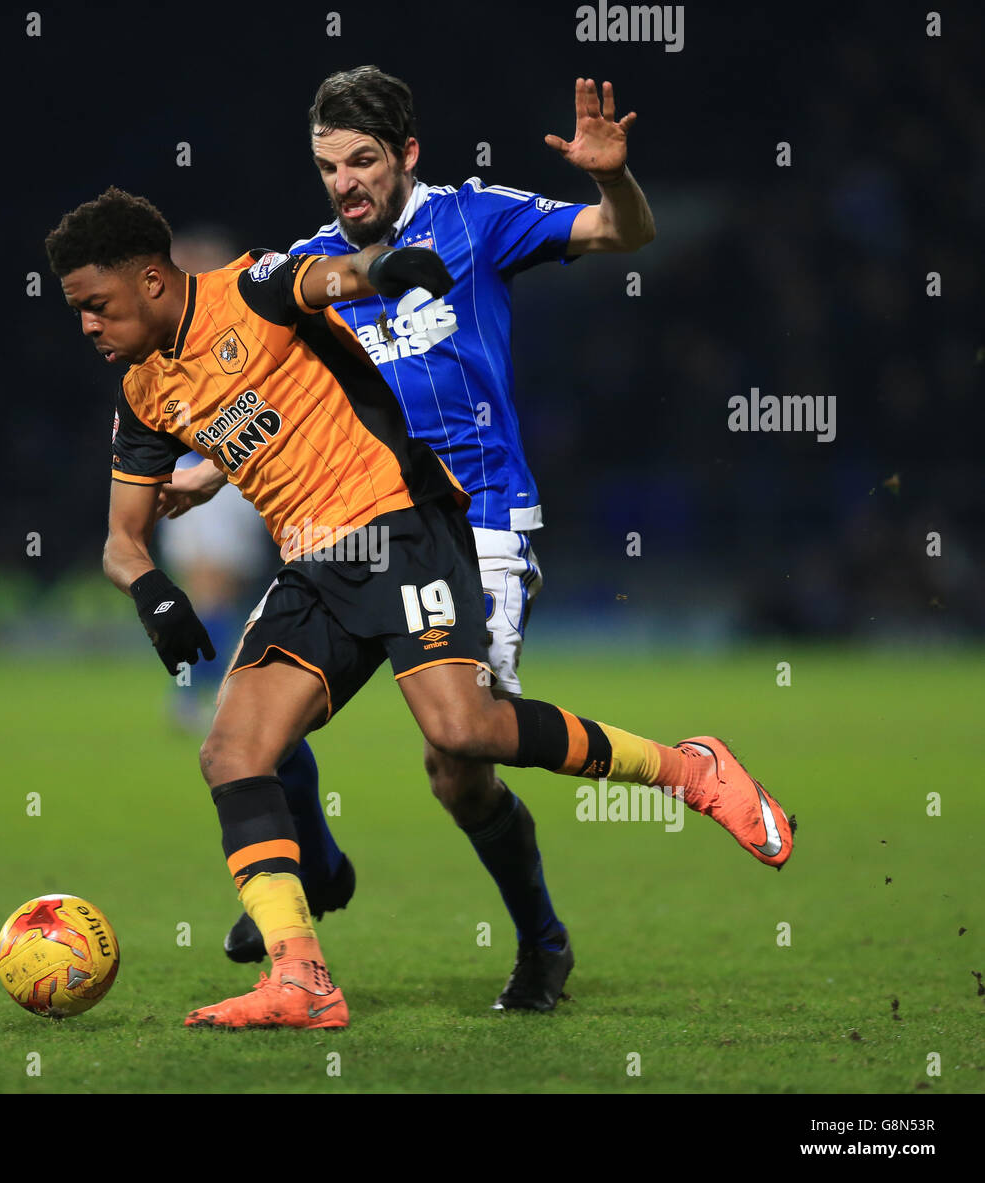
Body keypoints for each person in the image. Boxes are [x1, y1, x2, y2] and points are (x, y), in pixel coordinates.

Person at [45, 187, 795, 1030]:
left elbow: (330, 279)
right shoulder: (145, 394)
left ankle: (691, 769)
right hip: (313, 566)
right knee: (231, 752)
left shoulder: (249, 290)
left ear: (152, 280)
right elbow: (122, 541)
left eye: (95, 307)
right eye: (78, 312)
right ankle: (302, 979)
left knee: (464, 734)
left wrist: (384, 267)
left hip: (402, 527)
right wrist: (154, 594)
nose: (87, 328)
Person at [160, 69, 654, 1010]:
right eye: (327, 165)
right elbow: (278, 395)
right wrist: (212, 468)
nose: (345, 182)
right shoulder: (308, 267)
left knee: (458, 770)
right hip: (349, 525)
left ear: (408, 156)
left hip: (477, 524)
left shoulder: (473, 221)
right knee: (250, 729)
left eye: (363, 161)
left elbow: (621, 233)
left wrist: (613, 180)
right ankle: (310, 867)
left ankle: (542, 939)